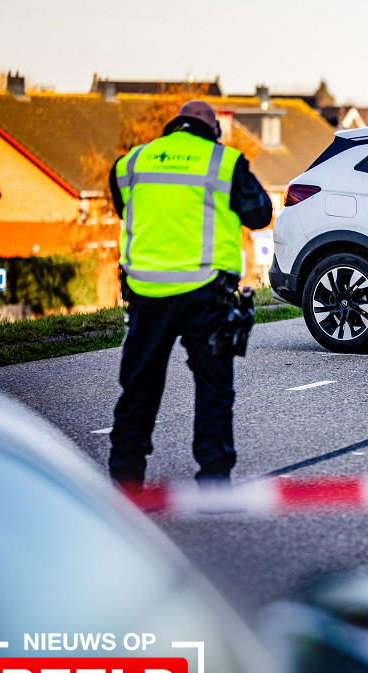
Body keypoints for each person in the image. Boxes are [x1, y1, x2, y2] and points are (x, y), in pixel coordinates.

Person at [107, 100, 272, 488]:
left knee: (139, 389)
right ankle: (214, 480)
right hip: (206, 295)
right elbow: (260, 214)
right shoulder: (224, 162)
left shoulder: (131, 163)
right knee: (214, 387)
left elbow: (123, 208)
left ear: (172, 126)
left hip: (147, 293)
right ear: (213, 130)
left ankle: (125, 482)